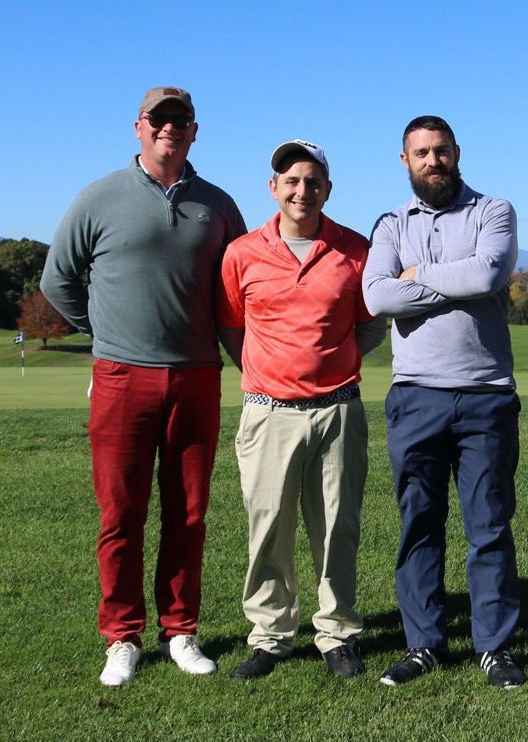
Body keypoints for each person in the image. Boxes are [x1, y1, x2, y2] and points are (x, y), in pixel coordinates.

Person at [40, 86, 247, 687]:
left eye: (180, 121)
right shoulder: (98, 197)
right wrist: (105, 332)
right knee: (121, 512)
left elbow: (237, 283)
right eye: (159, 120)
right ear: (138, 127)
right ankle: (122, 637)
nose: (169, 129)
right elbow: (59, 282)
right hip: (120, 376)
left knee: (189, 513)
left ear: (194, 130)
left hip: (195, 375)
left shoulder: (217, 205)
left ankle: (180, 630)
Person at [362, 115, 526, 689]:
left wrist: (418, 278)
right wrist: (440, 281)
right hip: (415, 397)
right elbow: (378, 294)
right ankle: (424, 643)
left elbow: (487, 273)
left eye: (441, 151)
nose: (433, 161)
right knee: (419, 525)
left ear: (458, 152)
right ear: (404, 160)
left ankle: (495, 647)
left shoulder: (493, 211)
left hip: (485, 397)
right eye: (421, 153)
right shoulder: (390, 224)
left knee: (488, 526)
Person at [218, 139, 385, 680]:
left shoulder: (354, 249)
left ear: (328, 190)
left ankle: (336, 632)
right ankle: (271, 635)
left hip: (338, 411)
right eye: (291, 181)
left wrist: (331, 362)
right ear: (273, 188)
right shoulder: (242, 252)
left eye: (312, 182)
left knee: (337, 528)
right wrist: (270, 373)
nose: (302, 191)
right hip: (268, 413)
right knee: (268, 528)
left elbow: (371, 321)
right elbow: (231, 327)